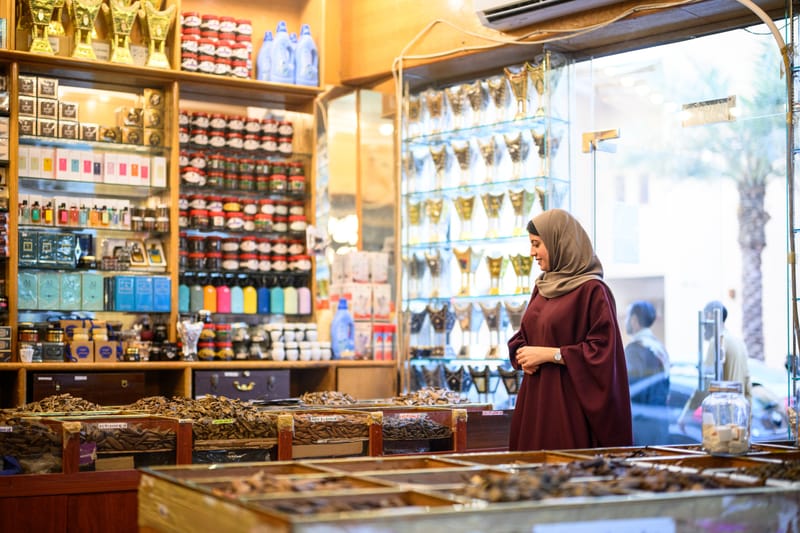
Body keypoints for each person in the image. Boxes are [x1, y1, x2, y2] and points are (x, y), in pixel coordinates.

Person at [508, 208, 633, 451]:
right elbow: (525, 335)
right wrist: (522, 353)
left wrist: (550, 354)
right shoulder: (543, 288)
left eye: (536, 244)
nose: (532, 252)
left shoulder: (593, 291)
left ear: (559, 243)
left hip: (567, 408)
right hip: (535, 402)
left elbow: (603, 352)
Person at [624, 300, 670, 445]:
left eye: (627, 317)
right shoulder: (659, 346)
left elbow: (633, 391)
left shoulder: (635, 349)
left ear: (634, 320)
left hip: (643, 426)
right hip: (661, 422)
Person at [702, 300, 751, 400]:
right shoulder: (739, 343)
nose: (704, 325)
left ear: (711, 316)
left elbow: (707, 385)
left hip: (723, 411)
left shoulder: (715, 342)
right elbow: (747, 385)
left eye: (706, 316)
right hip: (739, 410)